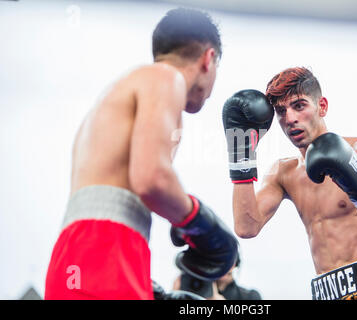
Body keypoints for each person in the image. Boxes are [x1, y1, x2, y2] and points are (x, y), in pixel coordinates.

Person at [45, 7, 238, 300]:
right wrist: (202, 226)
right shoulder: (165, 78)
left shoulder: (121, 93)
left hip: (76, 255)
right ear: (208, 59)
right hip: (106, 248)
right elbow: (151, 179)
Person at [222, 67, 357, 300]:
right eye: (281, 111)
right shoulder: (283, 172)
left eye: (299, 105)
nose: (290, 119)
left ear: (322, 106)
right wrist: (241, 152)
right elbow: (246, 227)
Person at [172, 252, 263, 300]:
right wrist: (174, 296)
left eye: (228, 261)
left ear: (234, 265)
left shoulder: (249, 297)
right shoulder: (190, 290)